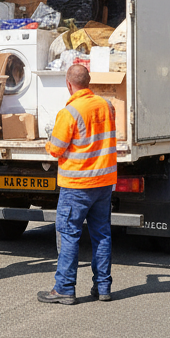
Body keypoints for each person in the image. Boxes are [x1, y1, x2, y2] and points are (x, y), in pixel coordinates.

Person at [38, 64, 119, 305]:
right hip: (104, 182)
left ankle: (64, 288)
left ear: (68, 84)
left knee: (69, 234)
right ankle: (103, 287)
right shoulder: (107, 106)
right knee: (102, 234)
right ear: (89, 82)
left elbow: (56, 149)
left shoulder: (70, 112)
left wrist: (48, 141)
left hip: (77, 185)